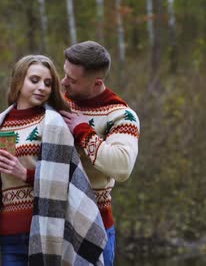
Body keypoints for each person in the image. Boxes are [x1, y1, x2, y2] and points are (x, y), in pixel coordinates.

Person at [0, 55, 108, 266]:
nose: (42, 87)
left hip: (48, 232)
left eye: (48, 83)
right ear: (19, 81)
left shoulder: (54, 125)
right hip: (10, 233)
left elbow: (66, 181)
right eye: (35, 80)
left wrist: (24, 174)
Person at [59, 41, 141, 266]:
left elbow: (122, 167)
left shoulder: (122, 116)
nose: (63, 82)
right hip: (51, 224)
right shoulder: (57, 102)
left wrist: (82, 131)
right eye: (64, 74)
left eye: (72, 80)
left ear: (97, 83)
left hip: (95, 224)